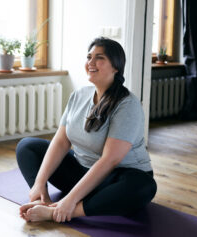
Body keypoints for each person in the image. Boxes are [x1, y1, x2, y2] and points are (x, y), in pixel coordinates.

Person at [16, 37, 157, 223]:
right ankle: (42, 200)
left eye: (99, 58)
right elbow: (61, 141)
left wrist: (68, 201)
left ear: (116, 66)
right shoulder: (79, 95)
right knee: (27, 146)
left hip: (115, 178)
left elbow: (110, 160)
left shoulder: (127, 104)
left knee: (144, 187)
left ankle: (60, 212)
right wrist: (39, 183)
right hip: (81, 172)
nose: (90, 62)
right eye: (89, 57)